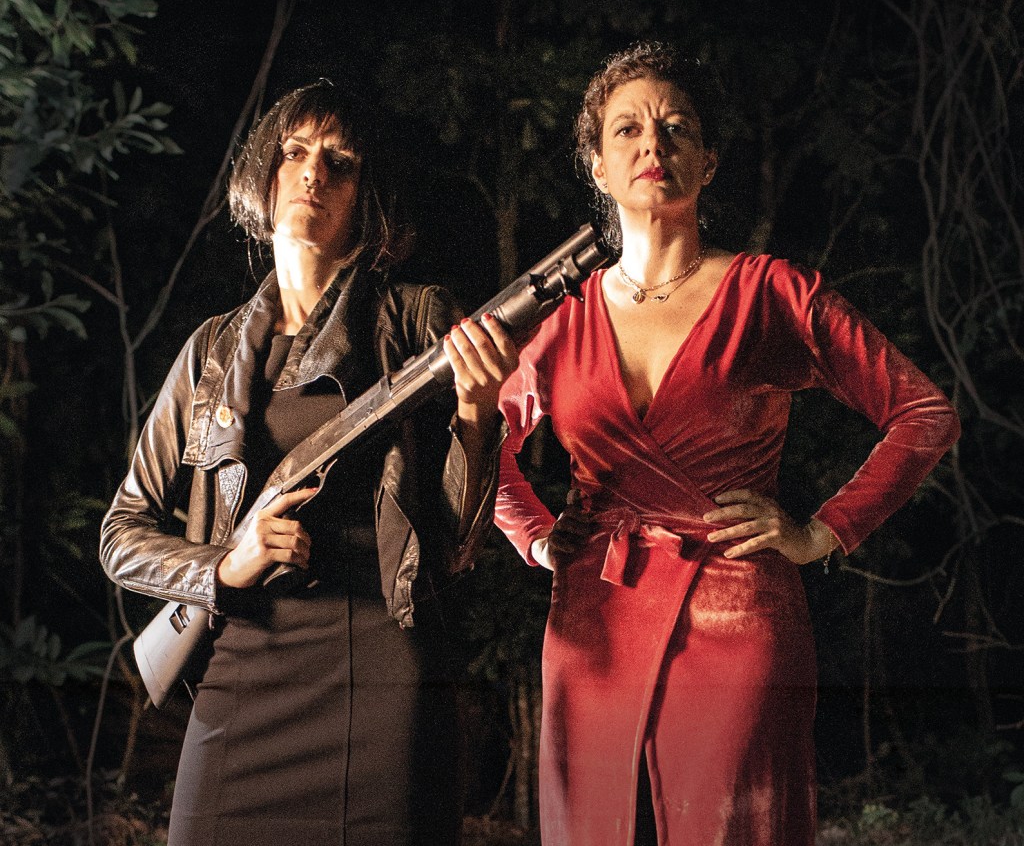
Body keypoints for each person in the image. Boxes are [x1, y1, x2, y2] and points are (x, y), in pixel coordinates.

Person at [494, 41, 960, 846]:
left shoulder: (772, 292)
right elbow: (481, 448)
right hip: (592, 631)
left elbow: (924, 413)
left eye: (677, 127)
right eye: (628, 129)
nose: (653, 143)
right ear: (598, 166)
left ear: (708, 161)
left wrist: (821, 531)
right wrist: (535, 537)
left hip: (736, 622)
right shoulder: (562, 320)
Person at [100, 79, 518, 846]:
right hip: (242, 670)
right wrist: (225, 565)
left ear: (367, 196)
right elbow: (120, 534)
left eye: (340, 161)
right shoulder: (211, 350)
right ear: (264, 174)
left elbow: (458, 545)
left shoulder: (417, 320)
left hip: (382, 676)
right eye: (294, 152)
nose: (313, 173)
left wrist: (477, 411)